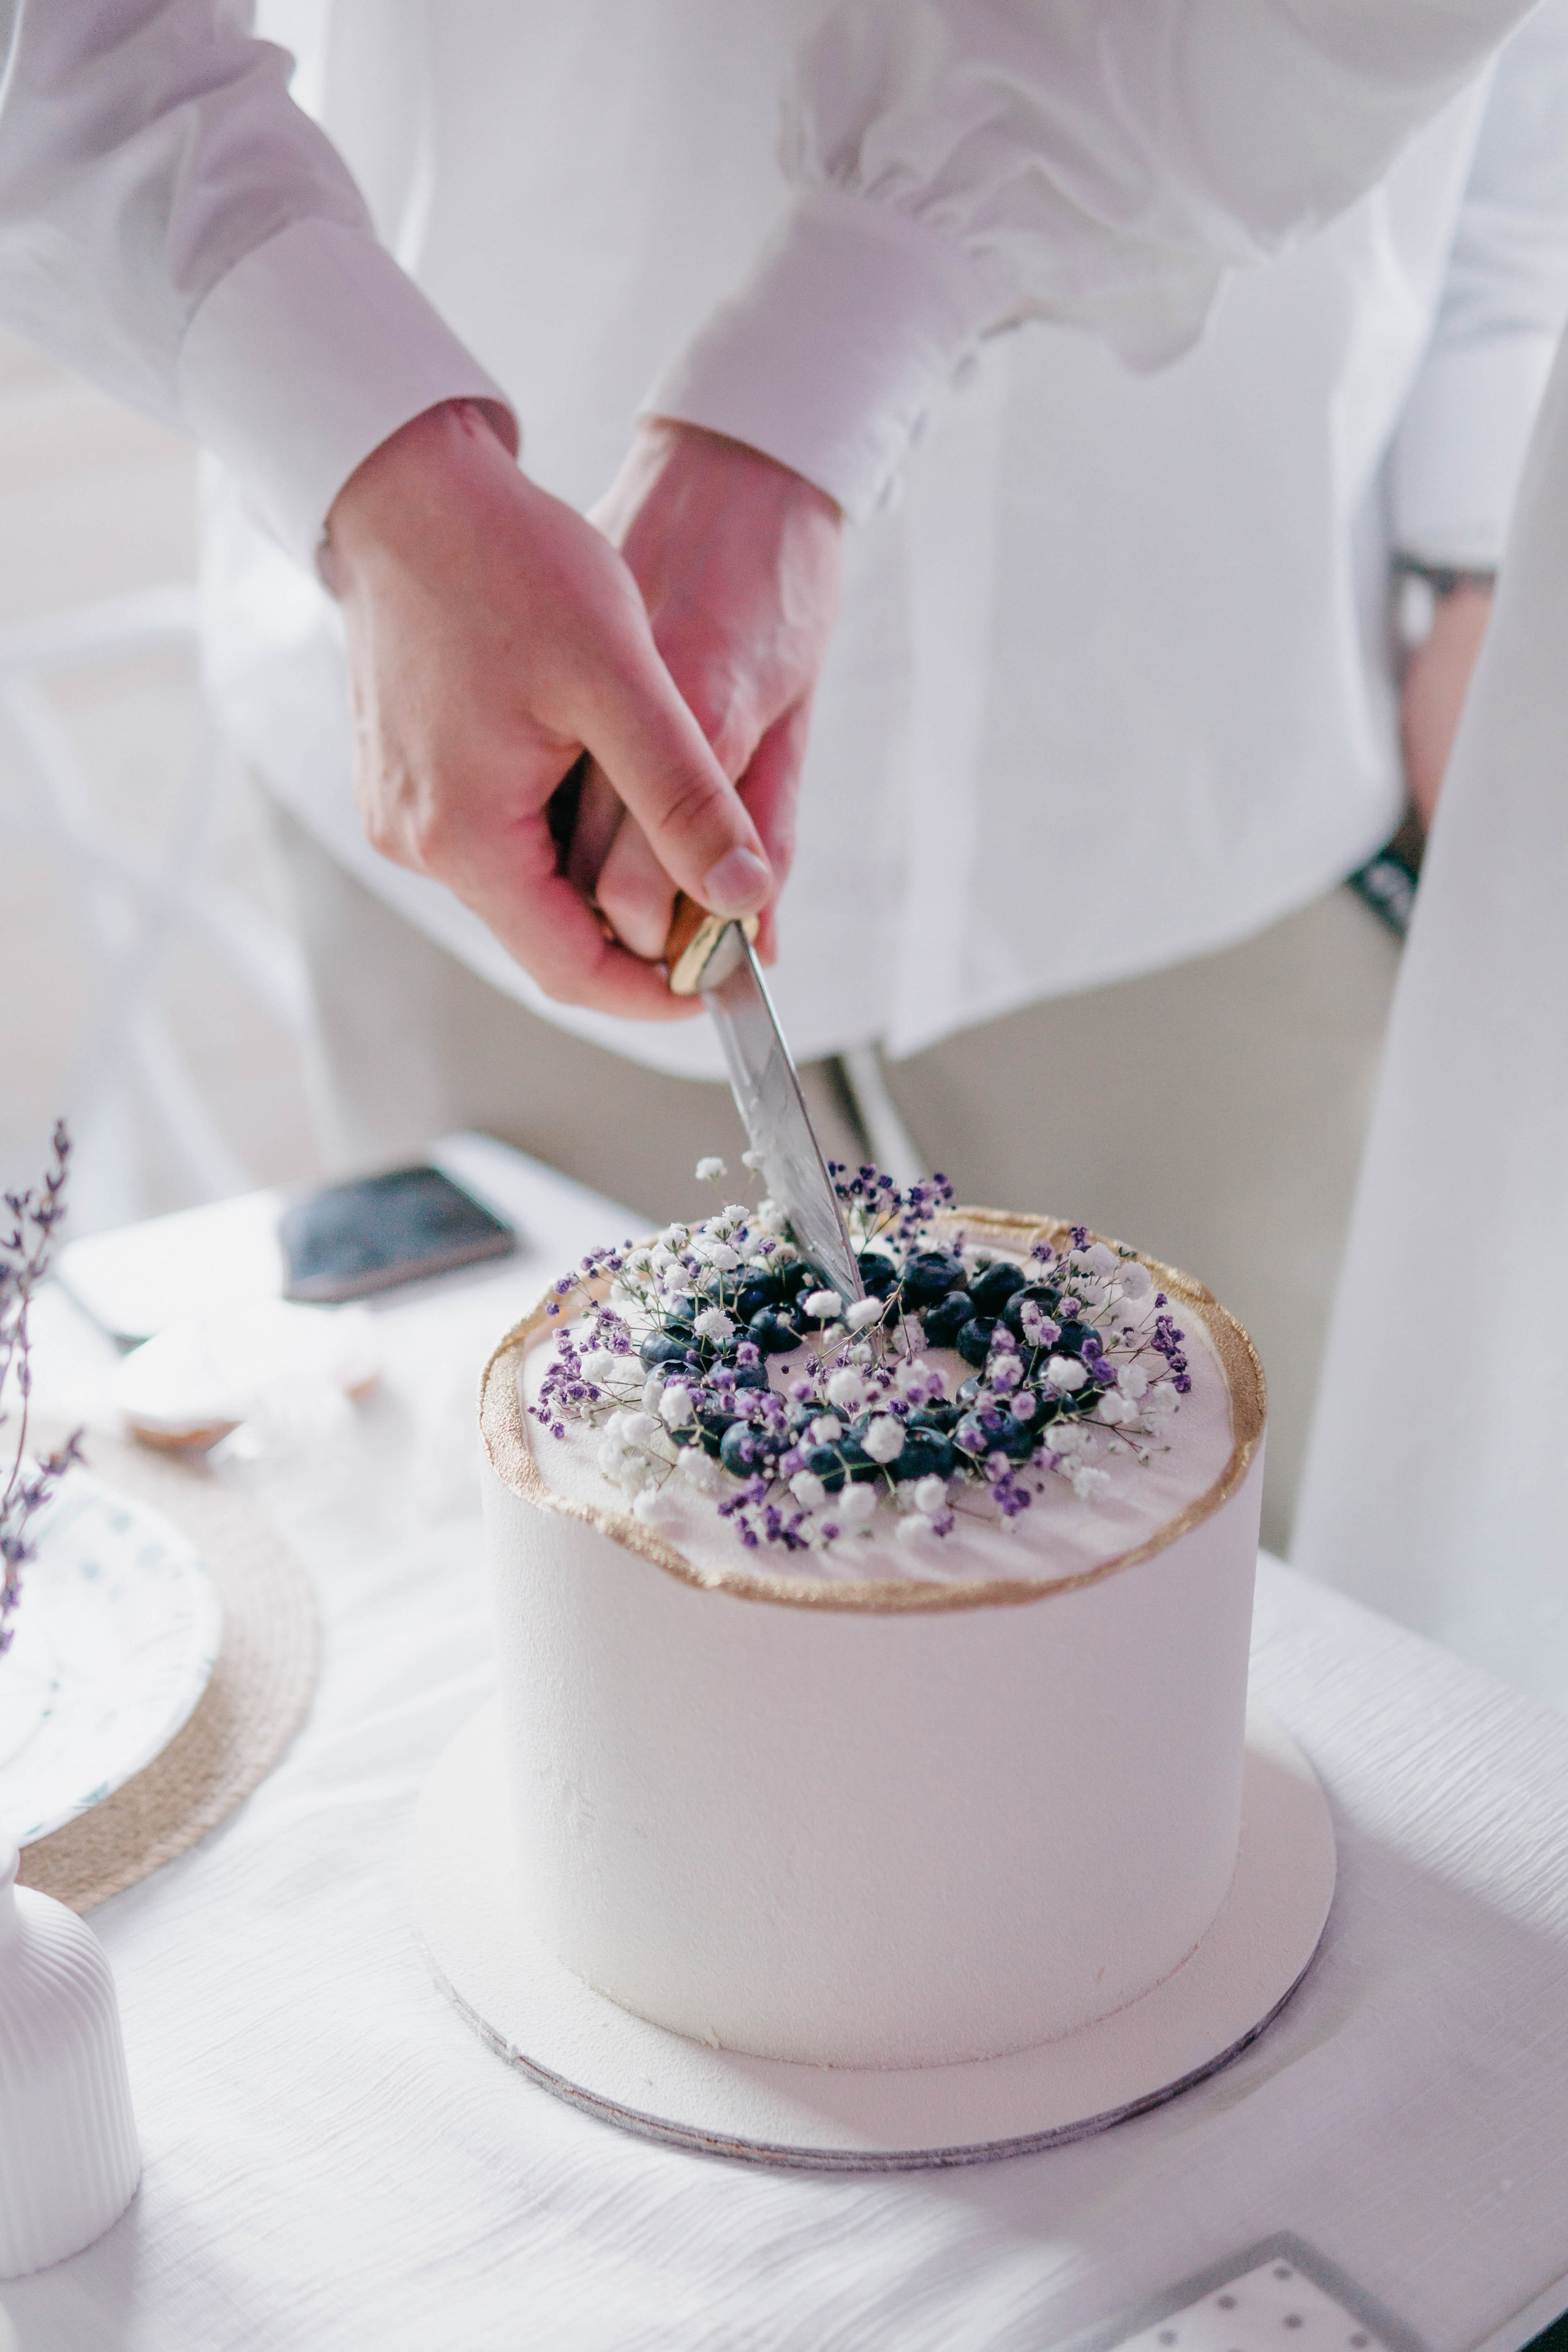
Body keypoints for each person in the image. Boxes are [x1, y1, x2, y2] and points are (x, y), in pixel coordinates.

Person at [0, 0, 1559, 1550]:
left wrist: (1480, 520)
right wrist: (367, 458)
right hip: (478, 777)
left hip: (1219, 753)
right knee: (568, 1610)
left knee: (1228, 1624)